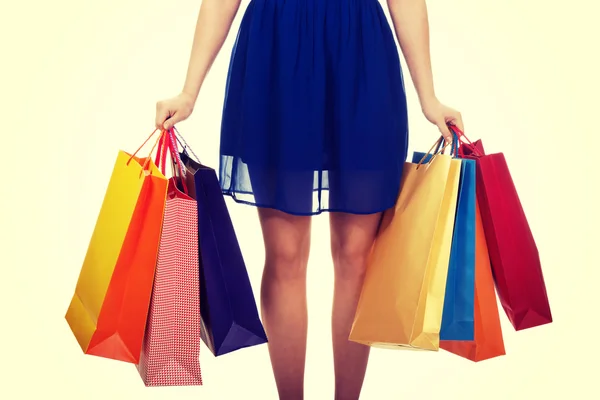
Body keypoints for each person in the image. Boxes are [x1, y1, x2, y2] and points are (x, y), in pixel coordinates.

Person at [155, 0, 463, 398]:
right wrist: (189, 91)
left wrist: (429, 97)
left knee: (356, 257)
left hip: (360, 57)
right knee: (285, 254)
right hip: (276, 54)